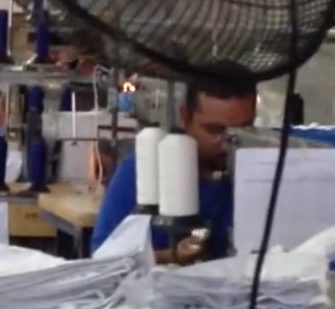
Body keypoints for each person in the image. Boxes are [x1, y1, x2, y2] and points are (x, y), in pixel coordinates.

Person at [90, 78, 256, 263]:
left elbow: (204, 234)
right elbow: (102, 256)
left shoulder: (258, 176)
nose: (227, 144)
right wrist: (172, 255)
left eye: (244, 131)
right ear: (185, 117)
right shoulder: (146, 167)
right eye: (214, 131)